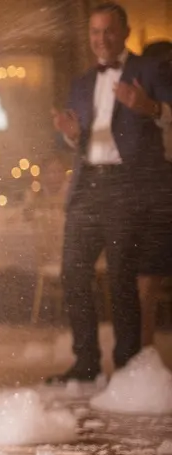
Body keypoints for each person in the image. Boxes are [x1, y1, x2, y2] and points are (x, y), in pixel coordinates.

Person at [48, 2, 172, 382]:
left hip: (127, 186)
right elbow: (75, 137)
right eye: (95, 32)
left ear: (126, 33)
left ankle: (127, 367)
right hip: (87, 185)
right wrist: (71, 135)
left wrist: (151, 107)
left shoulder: (150, 69)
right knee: (73, 272)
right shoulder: (81, 82)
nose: (101, 39)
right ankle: (85, 362)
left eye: (109, 31)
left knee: (121, 277)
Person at [138, 39, 172, 349]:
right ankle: (144, 351)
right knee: (148, 278)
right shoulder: (139, 104)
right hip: (155, 194)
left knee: (148, 279)